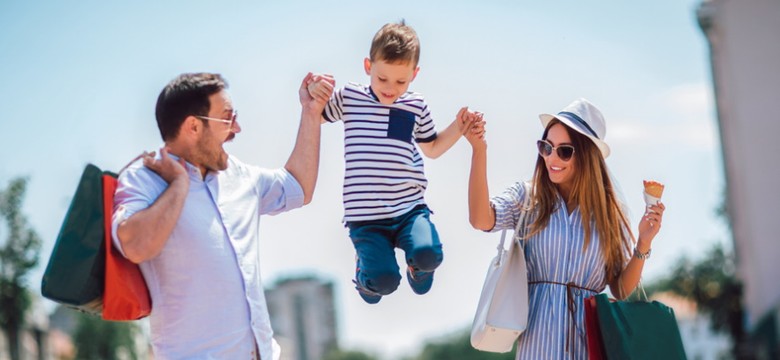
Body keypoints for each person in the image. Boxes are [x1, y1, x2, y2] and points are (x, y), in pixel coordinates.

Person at [111, 72, 334, 359]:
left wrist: (311, 112)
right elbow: (135, 245)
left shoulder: (239, 176)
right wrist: (179, 185)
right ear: (193, 126)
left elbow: (299, 187)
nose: (237, 128)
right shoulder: (144, 179)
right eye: (228, 117)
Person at [464, 98, 666, 359]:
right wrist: (479, 150)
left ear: (586, 155)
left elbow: (620, 289)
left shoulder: (606, 216)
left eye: (564, 151)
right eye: (546, 147)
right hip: (538, 348)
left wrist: (643, 243)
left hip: (589, 349)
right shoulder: (528, 198)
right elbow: (481, 219)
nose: (551, 158)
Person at [307, 21, 476, 304]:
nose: (390, 89)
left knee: (429, 255)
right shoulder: (350, 98)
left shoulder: (415, 106)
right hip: (366, 219)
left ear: (414, 74)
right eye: (382, 78)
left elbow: (432, 148)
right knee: (383, 284)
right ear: (368, 66)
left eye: (401, 81)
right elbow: (317, 115)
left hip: (409, 209)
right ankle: (366, 277)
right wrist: (314, 89)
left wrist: (459, 127)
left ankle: (418, 268)